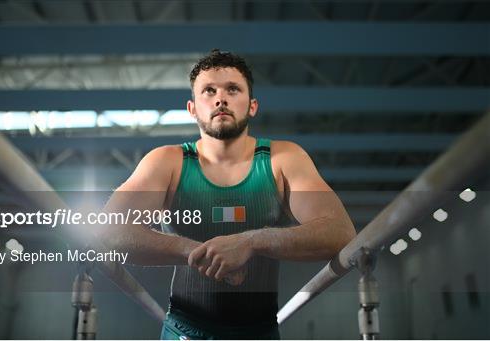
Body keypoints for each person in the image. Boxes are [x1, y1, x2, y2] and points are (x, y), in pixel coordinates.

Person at [101, 49, 356, 339]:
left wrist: (251, 241)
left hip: (258, 333)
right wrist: (197, 253)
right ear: (192, 108)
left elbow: (341, 231)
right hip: (185, 331)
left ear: (252, 106)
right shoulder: (167, 161)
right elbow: (109, 231)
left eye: (233, 89)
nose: (220, 98)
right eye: (209, 91)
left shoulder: (283, 158)